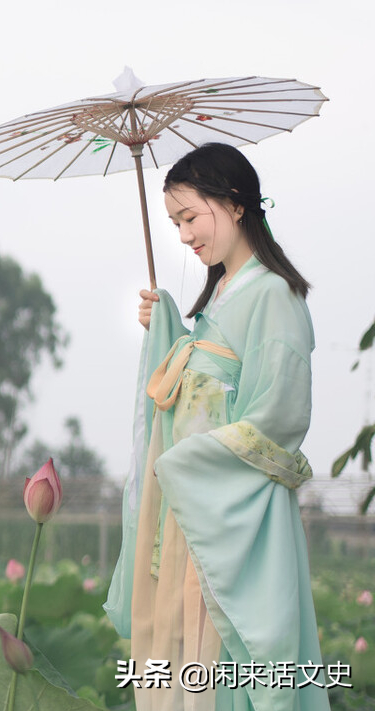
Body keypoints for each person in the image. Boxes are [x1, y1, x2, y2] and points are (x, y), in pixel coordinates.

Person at [103, 143, 330, 711]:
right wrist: (169, 331)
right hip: (193, 514)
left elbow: (276, 416)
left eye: (189, 217)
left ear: (234, 204)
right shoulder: (221, 297)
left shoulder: (273, 295)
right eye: (174, 223)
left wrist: (184, 463)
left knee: (236, 667)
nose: (182, 236)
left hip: (231, 515)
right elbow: (203, 387)